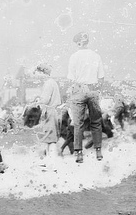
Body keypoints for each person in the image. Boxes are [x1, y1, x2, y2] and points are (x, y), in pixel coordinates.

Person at [67, 31, 105, 163]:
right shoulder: (96, 56)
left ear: (78, 43)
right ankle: (98, 151)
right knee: (96, 122)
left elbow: (71, 79)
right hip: (93, 90)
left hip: (79, 90)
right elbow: (101, 77)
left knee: (78, 124)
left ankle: (79, 153)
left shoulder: (74, 57)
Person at [34, 63, 62, 158]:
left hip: (49, 111)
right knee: (50, 138)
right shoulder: (52, 82)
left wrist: (38, 101)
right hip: (53, 111)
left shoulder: (48, 83)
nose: (37, 76)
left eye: (38, 73)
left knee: (49, 139)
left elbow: (45, 100)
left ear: (43, 73)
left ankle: (50, 161)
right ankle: (50, 161)